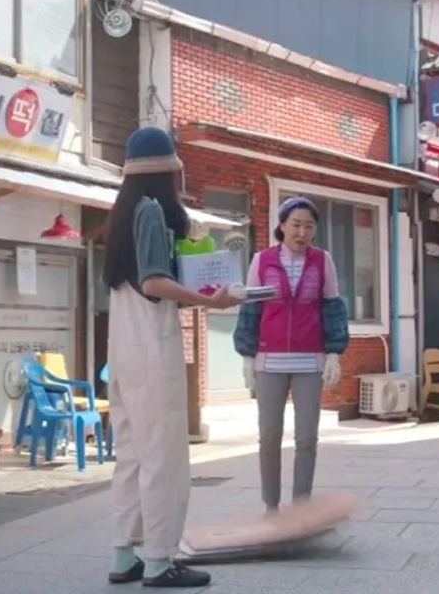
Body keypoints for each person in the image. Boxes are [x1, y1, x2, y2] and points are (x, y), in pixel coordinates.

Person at [103, 126, 241, 588]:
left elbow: (137, 282)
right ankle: (160, 560)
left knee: (132, 455)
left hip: (123, 343)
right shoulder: (149, 213)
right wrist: (210, 301)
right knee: (163, 456)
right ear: (166, 170)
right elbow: (154, 283)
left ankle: (125, 555)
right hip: (150, 345)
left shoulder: (123, 212)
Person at [234, 196, 348, 515]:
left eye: (308, 226)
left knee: (307, 437)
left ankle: (301, 505)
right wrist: (246, 356)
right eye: (295, 225)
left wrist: (334, 353)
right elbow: (250, 309)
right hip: (268, 360)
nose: (302, 232)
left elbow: (333, 308)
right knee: (269, 435)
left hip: (309, 360)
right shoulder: (263, 260)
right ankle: (271, 504)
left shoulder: (322, 261)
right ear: (281, 226)